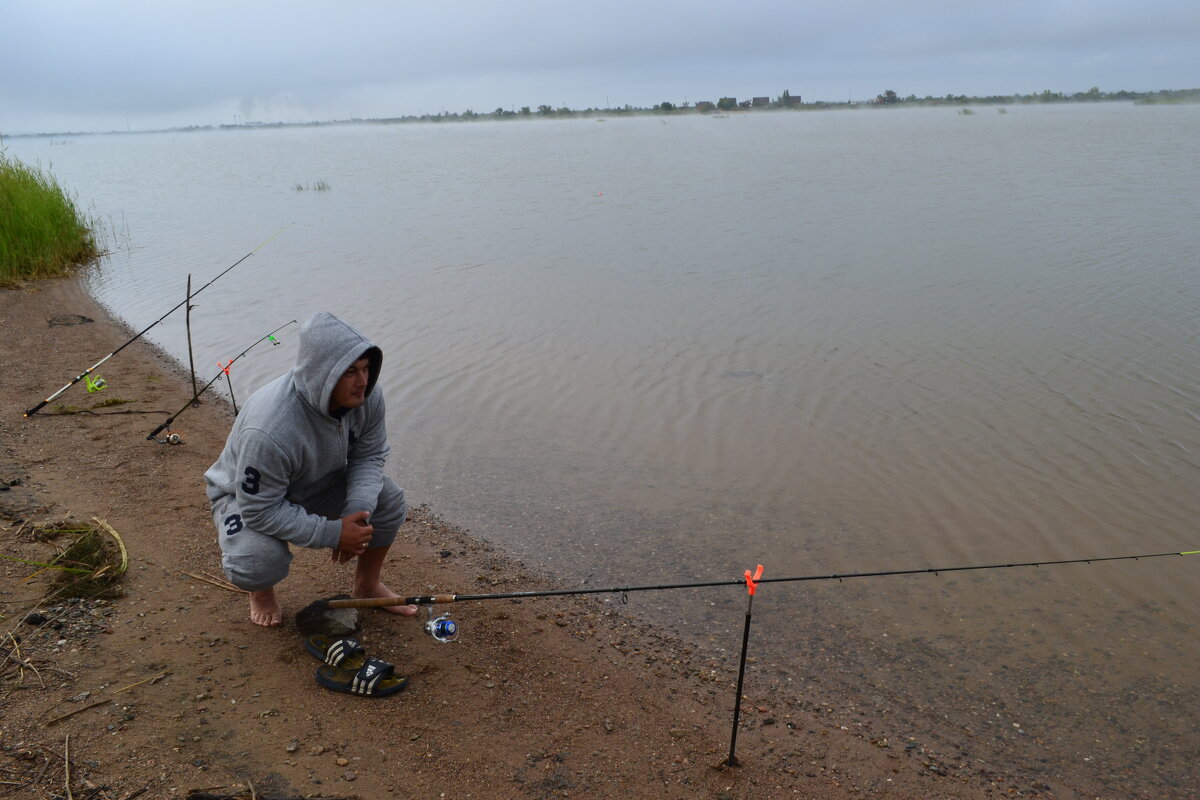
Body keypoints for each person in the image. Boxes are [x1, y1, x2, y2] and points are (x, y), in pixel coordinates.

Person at [204, 311, 418, 626]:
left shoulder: (368, 397)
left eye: (366, 368)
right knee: (256, 561)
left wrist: (356, 512)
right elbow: (259, 510)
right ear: (323, 374)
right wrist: (333, 534)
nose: (363, 382)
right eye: (350, 372)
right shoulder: (270, 427)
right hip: (245, 497)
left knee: (388, 500)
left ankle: (366, 585)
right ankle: (261, 593)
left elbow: (368, 456)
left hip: (317, 483)